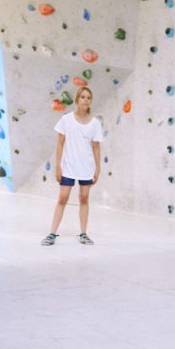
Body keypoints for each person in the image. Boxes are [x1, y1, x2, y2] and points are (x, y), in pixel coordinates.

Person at [41, 87, 102, 246]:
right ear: (77, 100)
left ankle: (83, 234)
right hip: (68, 166)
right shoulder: (66, 120)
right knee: (63, 198)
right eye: (82, 97)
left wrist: (98, 168)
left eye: (88, 97)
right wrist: (57, 166)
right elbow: (60, 143)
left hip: (86, 167)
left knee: (84, 198)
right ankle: (51, 233)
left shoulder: (95, 123)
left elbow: (96, 147)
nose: (86, 100)